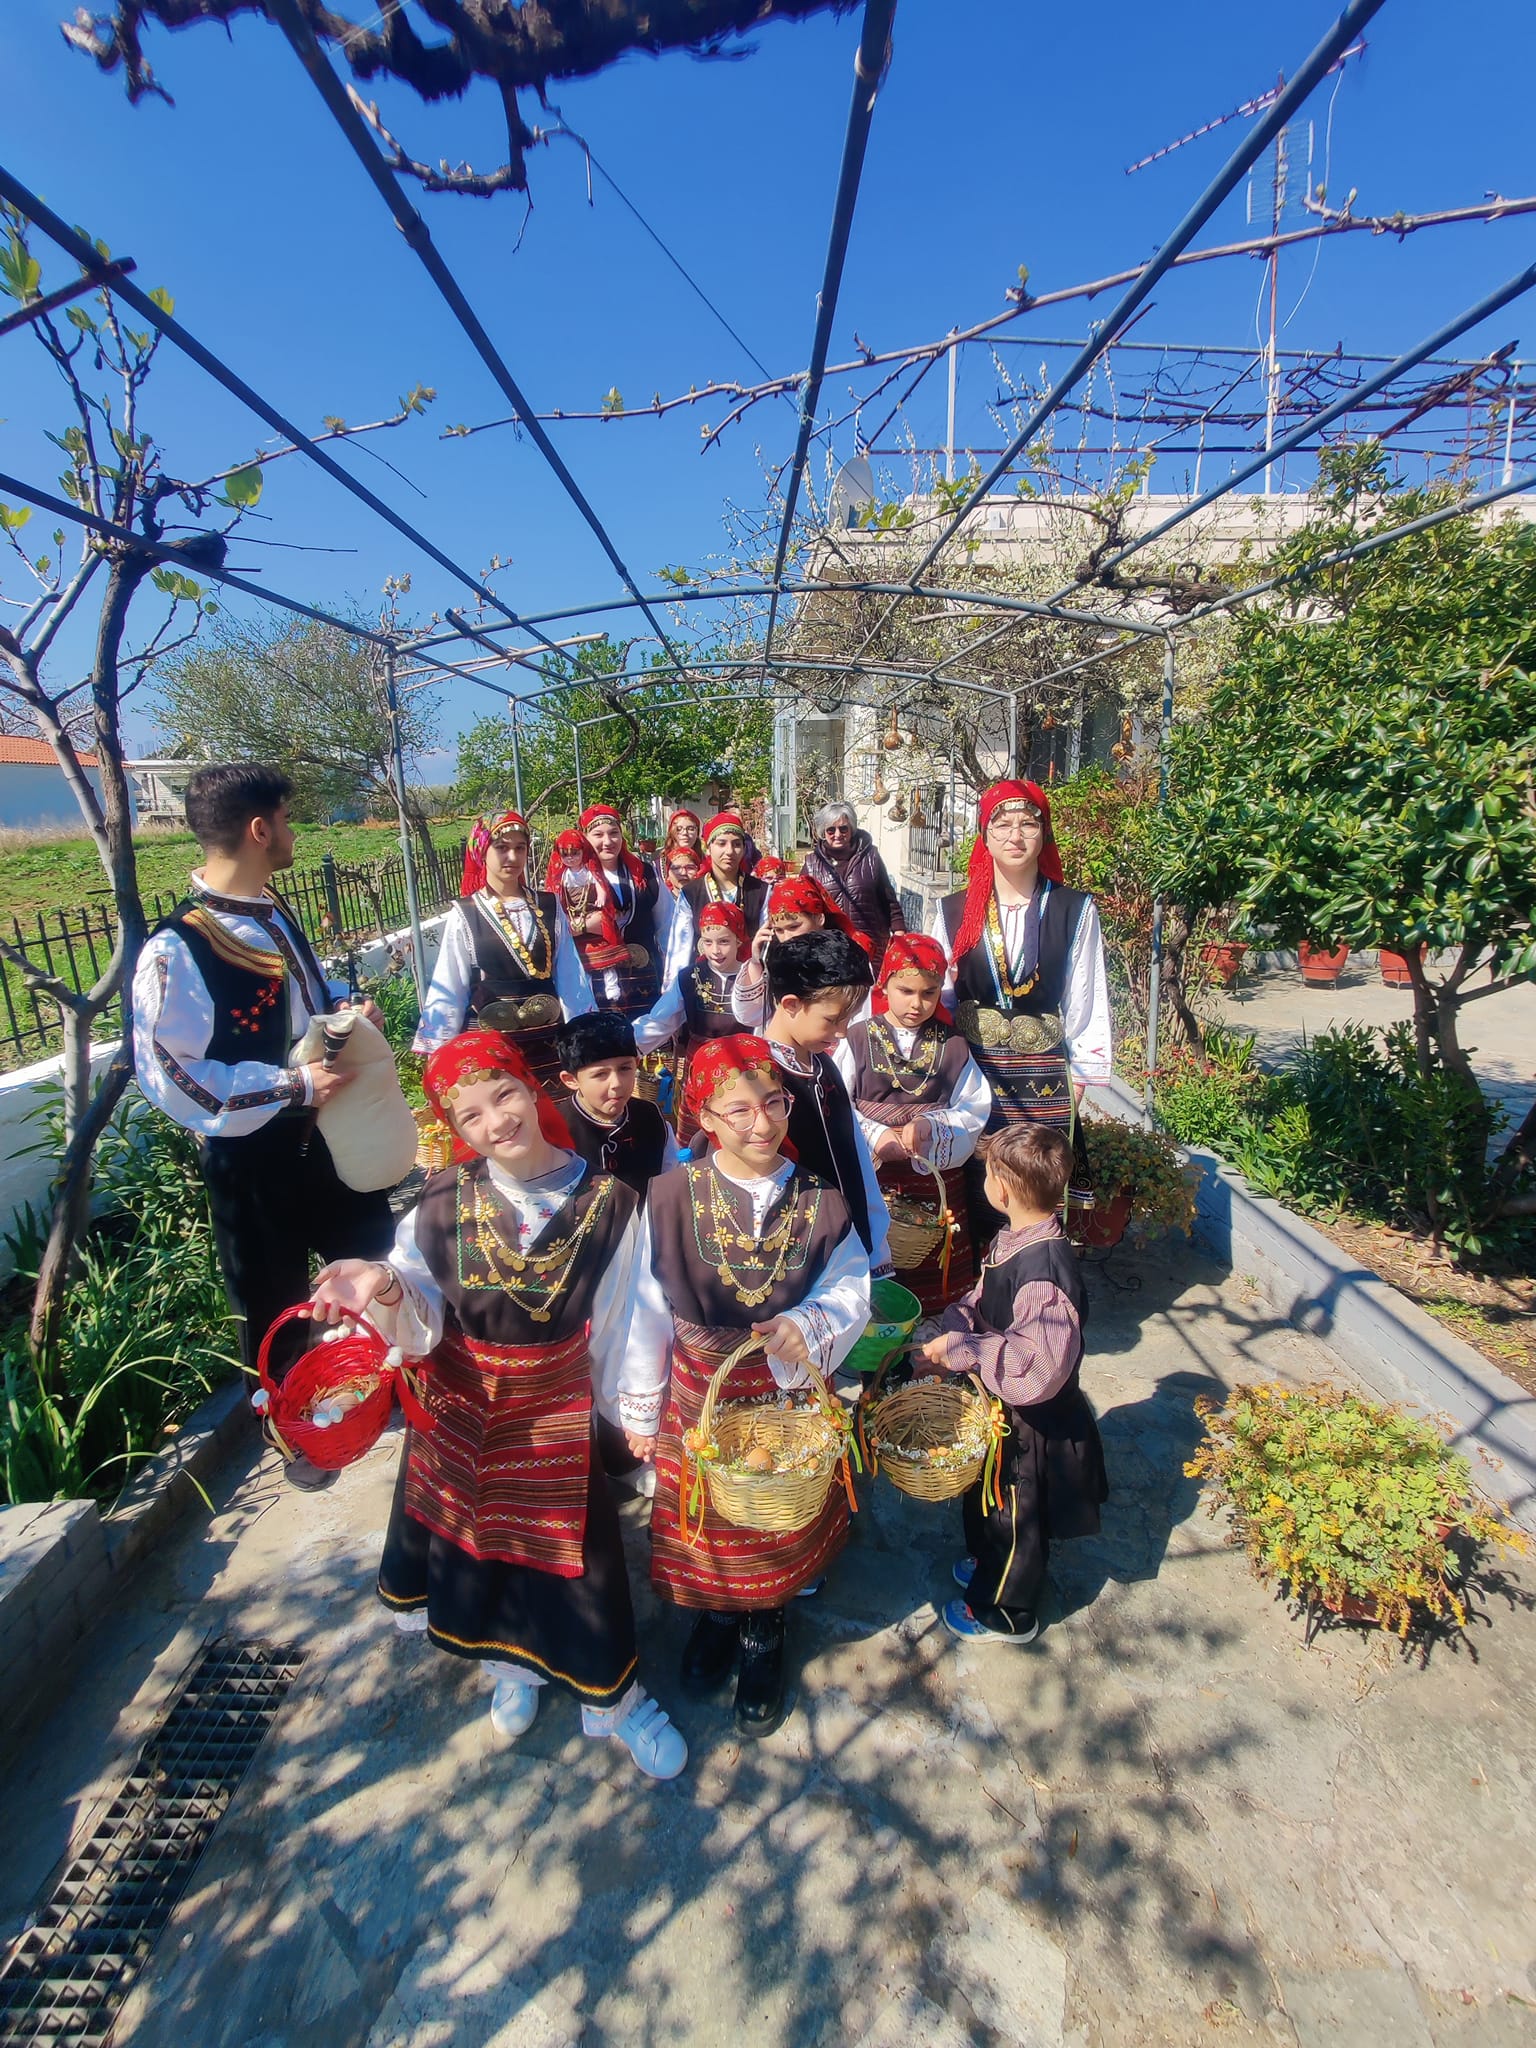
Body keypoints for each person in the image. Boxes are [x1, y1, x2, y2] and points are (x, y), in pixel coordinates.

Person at [308, 1030, 687, 1776]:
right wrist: (383, 1286)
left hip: (551, 1413)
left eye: (504, 1095)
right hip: (460, 1414)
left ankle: (612, 1699)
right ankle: (511, 1670)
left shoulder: (610, 1203)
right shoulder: (442, 1197)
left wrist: (637, 1415)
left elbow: (629, 1315)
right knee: (481, 1550)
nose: (495, 1123)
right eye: (471, 1115)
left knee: (575, 1560)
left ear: (532, 1086)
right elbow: (418, 1307)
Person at [131, 763, 395, 1488]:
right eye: (285, 818)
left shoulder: (271, 910)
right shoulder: (177, 949)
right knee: (271, 1299)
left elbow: (305, 995)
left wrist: (345, 1006)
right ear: (258, 829)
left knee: (373, 1254)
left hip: (325, 1134)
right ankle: (297, 1434)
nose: (292, 832)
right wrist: (290, 1084)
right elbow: (169, 1072)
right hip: (252, 1156)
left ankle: (388, 1384)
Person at [629, 1035, 872, 1736]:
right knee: (712, 1513)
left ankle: (764, 1627)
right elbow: (643, 1307)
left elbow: (851, 1284)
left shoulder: (820, 1199)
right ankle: (715, 1611)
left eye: (773, 1103)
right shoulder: (669, 1197)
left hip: (786, 1391)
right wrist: (641, 1408)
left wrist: (810, 1323)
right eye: (738, 1110)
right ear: (704, 1116)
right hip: (701, 1387)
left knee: (772, 1513)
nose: (762, 1124)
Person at [914, 1123, 1107, 1646]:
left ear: (1001, 1188)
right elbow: (984, 1298)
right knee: (988, 1490)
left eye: (989, 1173)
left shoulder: (1044, 1273)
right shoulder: (1017, 1237)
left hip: (1032, 1422)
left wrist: (965, 1350)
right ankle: (985, 1560)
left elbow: (1035, 1369)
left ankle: (1005, 1610)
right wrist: (953, 1324)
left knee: (1015, 1515)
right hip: (1002, 1405)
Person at [930, 779, 1112, 1243]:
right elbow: (939, 997)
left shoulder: (1074, 909)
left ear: (1044, 834)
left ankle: (1036, 1282)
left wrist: (1085, 1073)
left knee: (1035, 1180)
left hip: (1045, 1076)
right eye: (1002, 824)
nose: (1015, 835)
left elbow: (1084, 995)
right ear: (984, 837)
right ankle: (978, 1287)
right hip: (975, 1071)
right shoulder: (952, 912)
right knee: (975, 1180)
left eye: (1028, 824)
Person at [833, 934, 990, 1318]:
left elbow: (974, 1106)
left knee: (932, 1267)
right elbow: (836, 1101)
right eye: (905, 990)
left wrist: (932, 1126)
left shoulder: (954, 1045)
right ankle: (873, 1338)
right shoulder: (856, 1037)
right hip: (875, 1175)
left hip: (933, 1180)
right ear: (883, 983)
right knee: (874, 1254)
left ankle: (930, 1346)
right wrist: (875, 1135)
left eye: (929, 993)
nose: (916, 1004)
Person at [414, 808, 593, 1088]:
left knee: (553, 1123)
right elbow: (451, 985)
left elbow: (571, 977)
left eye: (520, 848)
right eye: (502, 848)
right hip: (491, 1049)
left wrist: (584, 1037)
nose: (512, 857)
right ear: (481, 852)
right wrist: (439, 1053)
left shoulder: (549, 905)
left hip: (549, 1045)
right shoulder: (466, 914)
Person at [759, 929, 892, 1275]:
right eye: (832, 1020)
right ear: (790, 1004)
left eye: (848, 1020)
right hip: (795, 1251)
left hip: (847, 1239)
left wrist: (875, 1239)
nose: (843, 1032)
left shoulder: (822, 1065)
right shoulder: (759, 1077)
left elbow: (856, 1156)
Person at [633, 901, 749, 1141]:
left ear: (739, 940)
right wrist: (622, 1043)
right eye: (708, 942)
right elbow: (661, 1021)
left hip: (743, 1066)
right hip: (700, 1064)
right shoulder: (689, 977)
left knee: (739, 1128)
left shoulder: (753, 976)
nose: (715, 950)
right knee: (695, 1134)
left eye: (724, 941)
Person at [554, 1010, 683, 1200]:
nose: (617, 1083)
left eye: (624, 1068)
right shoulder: (555, 1129)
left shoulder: (650, 1116)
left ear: (636, 1064)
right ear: (571, 1080)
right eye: (600, 1074)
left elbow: (670, 1174)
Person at [730, 874, 868, 1032]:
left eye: (794, 927)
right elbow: (749, 1015)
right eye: (779, 930)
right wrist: (756, 961)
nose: (787, 938)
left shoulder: (849, 959)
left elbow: (859, 1018)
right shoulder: (776, 959)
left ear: (819, 918)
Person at [576, 804, 675, 1022]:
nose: (608, 841)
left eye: (614, 833)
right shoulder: (573, 879)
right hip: (595, 979)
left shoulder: (644, 873)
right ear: (585, 838)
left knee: (647, 1046)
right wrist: (582, 926)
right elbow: (556, 930)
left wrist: (672, 978)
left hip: (644, 976)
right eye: (598, 835)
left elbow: (668, 926)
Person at [801, 801, 906, 968]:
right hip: (831, 951)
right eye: (831, 830)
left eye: (843, 828)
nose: (837, 834)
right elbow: (802, 909)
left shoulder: (871, 857)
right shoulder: (812, 864)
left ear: (851, 829)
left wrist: (900, 935)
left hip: (872, 947)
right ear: (823, 832)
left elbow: (889, 900)